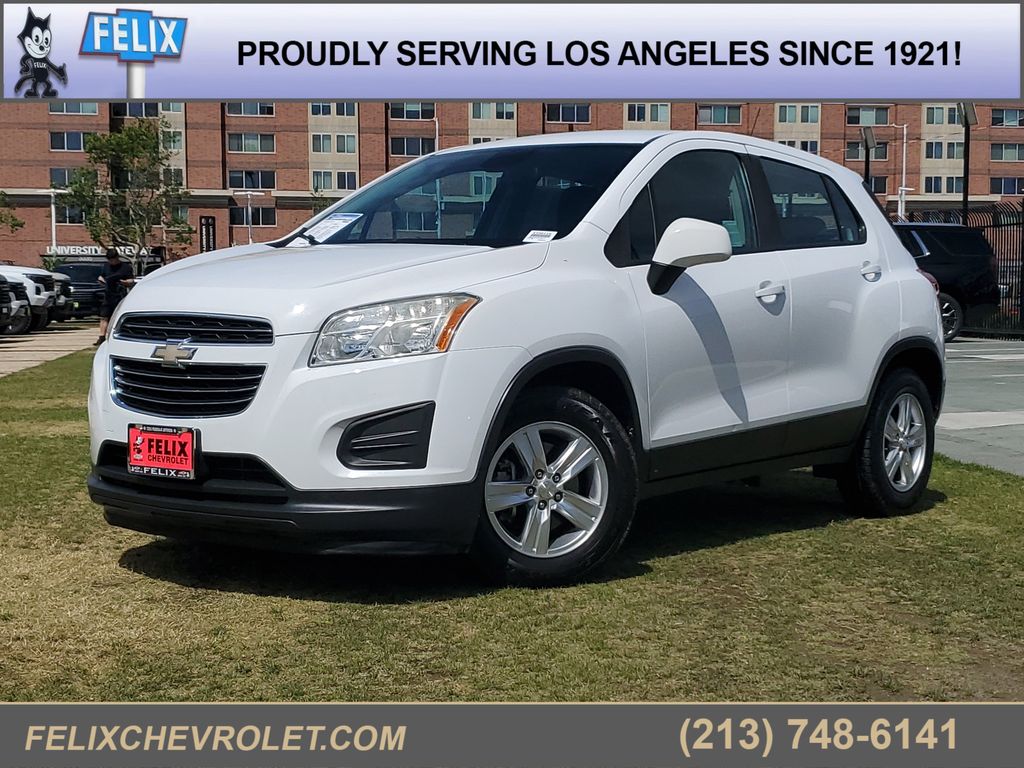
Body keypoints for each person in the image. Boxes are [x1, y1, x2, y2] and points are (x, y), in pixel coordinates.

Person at [96, 249, 134, 345]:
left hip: (120, 295)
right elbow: (101, 277)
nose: (112, 262)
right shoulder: (106, 266)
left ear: (117, 257)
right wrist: (103, 281)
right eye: (110, 260)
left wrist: (123, 282)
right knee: (104, 316)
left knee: (118, 316)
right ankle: (101, 337)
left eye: (113, 259)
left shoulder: (126, 267)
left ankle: (117, 336)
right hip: (108, 294)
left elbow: (131, 280)